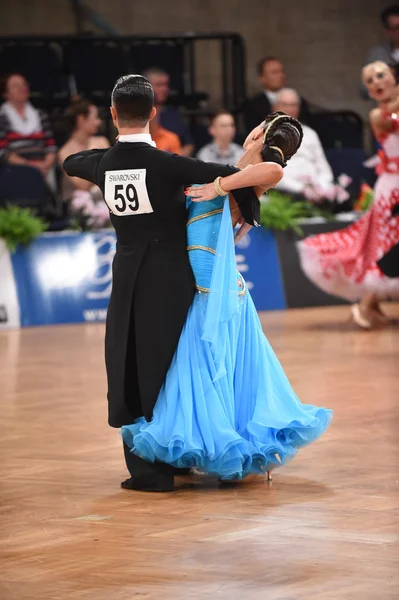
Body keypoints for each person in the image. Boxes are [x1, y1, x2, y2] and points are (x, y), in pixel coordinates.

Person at [63, 74, 261, 492]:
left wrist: (114, 154)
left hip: (128, 273)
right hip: (173, 275)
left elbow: (71, 163)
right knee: (173, 362)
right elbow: (233, 174)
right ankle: (178, 452)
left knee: (129, 362)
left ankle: (150, 468)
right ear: (154, 113)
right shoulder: (170, 164)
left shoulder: (103, 164)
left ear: (113, 114)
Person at [121, 112, 332, 489]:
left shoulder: (253, 175)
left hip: (214, 289)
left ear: (260, 134)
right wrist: (223, 180)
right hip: (211, 286)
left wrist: (218, 187)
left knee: (211, 363)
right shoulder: (235, 171)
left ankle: (227, 446)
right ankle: (219, 444)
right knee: (216, 366)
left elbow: (272, 172)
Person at [297, 62, 399, 329]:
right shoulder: (380, 115)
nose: (376, 82)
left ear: (393, 77)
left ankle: (371, 304)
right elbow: (394, 119)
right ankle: (366, 305)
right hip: (393, 189)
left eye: (380, 75)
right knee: (389, 246)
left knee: (384, 246)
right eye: (369, 80)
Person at [0, 73, 57, 190]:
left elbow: (51, 146)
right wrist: (32, 167)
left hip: (44, 168)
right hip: (16, 170)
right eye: (16, 86)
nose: (22, 88)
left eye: (24, 84)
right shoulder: (2, 118)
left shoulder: (41, 115)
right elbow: (4, 153)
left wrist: (46, 164)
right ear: (5, 93)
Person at [273, 89, 334, 198]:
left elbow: (324, 169)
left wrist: (321, 187)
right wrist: (301, 189)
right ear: (275, 107)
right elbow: (270, 173)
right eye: (285, 105)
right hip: (285, 193)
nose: (290, 109)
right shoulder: (264, 134)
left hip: (317, 192)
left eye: (294, 105)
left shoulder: (310, 133)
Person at [59, 98, 110, 227]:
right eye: (95, 117)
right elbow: (81, 184)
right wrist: (100, 168)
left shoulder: (102, 141)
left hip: (105, 195)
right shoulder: (65, 152)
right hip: (80, 202)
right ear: (81, 119)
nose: (98, 122)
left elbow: (111, 171)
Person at [243, 57, 311, 132]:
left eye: (281, 71)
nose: (281, 75)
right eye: (274, 72)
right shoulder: (253, 105)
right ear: (262, 78)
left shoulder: (298, 100)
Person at [143, 68, 194, 156]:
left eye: (166, 85)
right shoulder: (135, 114)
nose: (164, 89)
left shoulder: (172, 114)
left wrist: (176, 160)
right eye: (159, 85)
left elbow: (188, 144)